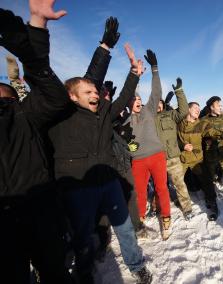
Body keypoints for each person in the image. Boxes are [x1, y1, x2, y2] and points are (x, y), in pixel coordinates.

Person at [49, 28, 152, 282]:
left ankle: (136, 264)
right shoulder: (62, 115)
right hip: (77, 187)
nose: (96, 93)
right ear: (72, 97)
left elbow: (125, 98)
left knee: (125, 229)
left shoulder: (105, 111)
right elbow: (92, 75)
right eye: (88, 92)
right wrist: (104, 49)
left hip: (108, 183)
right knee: (83, 235)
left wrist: (134, 74)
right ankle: (84, 273)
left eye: (96, 91)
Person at [0, 3, 72, 283]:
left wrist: (33, 33)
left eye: (4, 102)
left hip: (40, 214)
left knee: (55, 272)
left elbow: (54, 96)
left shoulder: (23, 115)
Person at [129, 50, 172, 240]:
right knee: (139, 191)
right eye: (134, 99)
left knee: (162, 187)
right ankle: (139, 221)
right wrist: (131, 148)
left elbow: (157, 92)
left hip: (156, 155)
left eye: (139, 99)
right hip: (138, 160)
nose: (138, 101)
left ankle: (166, 219)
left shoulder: (149, 111)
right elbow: (122, 141)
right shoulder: (124, 119)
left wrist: (155, 70)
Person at [155, 78, 194, 220]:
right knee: (159, 187)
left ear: (163, 104)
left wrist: (179, 92)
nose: (157, 105)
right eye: (155, 103)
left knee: (179, 183)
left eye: (160, 103)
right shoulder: (148, 118)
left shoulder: (170, 115)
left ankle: (187, 208)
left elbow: (184, 110)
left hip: (172, 157)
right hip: (155, 158)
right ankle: (158, 207)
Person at [178, 102, 221, 220]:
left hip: (197, 158)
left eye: (199, 108)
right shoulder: (179, 124)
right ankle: (186, 208)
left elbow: (211, 132)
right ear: (188, 110)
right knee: (178, 182)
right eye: (195, 108)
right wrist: (182, 145)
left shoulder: (201, 124)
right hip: (182, 158)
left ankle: (213, 205)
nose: (198, 110)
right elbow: (174, 139)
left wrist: (215, 137)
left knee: (207, 181)